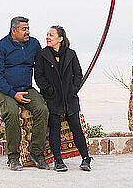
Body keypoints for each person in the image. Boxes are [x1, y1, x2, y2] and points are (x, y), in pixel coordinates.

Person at [0, 16, 50, 171]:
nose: (27, 32)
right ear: (14, 30)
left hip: (26, 89)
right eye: (24, 29)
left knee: (42, 110)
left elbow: (45, 63)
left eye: (28, 28)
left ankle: (36, 153)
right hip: (3, 91)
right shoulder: (0, 47)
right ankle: (13, 157)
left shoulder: (34, 44)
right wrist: (12, 93)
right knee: (11, 112)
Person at [34, 25, 92, 172]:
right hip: (52, 99)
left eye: (51, 35)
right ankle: (58, 161)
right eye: (47, 34)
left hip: (70, 98)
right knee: (55, 129)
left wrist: (73, 89)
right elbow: (38, 76)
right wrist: (49, 91)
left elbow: (78, 74)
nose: (48, 37)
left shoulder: (71, 54)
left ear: (60, 38)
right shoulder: (42, 54)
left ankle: (86, 159)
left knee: (76, 128)